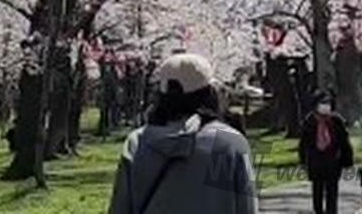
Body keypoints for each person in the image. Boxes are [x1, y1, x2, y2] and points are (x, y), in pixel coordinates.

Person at [108, 53, 257, 214]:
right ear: (209, 93)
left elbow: (121, 207)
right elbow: (247, 207)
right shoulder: (229, 142)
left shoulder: (138, 142)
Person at [298, 90, 354, 214]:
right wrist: (302, 161)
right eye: (323, 102)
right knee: (317, 191)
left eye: (328, 103)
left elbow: (344, 142)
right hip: (316, 162)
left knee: (332, 192)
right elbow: (303, 144)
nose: (325, 106)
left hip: (333, 162)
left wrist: (348, 161)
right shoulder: (309, 121)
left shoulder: (337, 121)